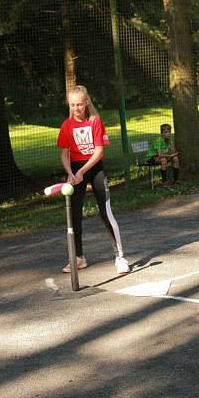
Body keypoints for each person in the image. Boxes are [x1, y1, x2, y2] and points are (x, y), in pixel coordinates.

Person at [57, 85, 129, 275]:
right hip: (75, 171)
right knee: (74, 216)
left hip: (94, 168)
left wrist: (82, 171)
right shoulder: (66, 126)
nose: (76, 108)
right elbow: (65, 154)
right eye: (72, 105)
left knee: (106, 212)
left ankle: (120, 256)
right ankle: (78, 258)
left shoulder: (95, 121)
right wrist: (71, 173)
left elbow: (99, 152)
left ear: (86, 102)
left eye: (79, 104)